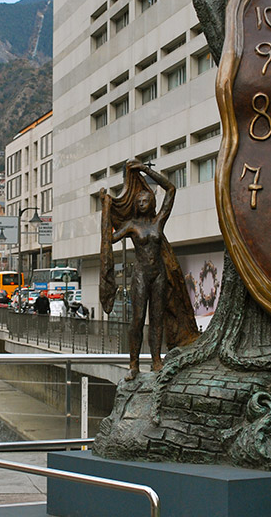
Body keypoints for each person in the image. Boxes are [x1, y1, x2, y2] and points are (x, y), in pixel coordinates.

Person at [100, 160, 199, 381]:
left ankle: (156, 360)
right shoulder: (131, 225)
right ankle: (133, 363)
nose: (143, 202)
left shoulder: (157, 222)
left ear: (151, 201)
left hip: (159, 275)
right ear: (136, 204)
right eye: (140, 200)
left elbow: (171, 189)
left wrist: (146, 170)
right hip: (141, 276)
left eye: (146, 199)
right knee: (137, 319)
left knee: (157, 318)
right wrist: (105, 208)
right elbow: (109, 238)